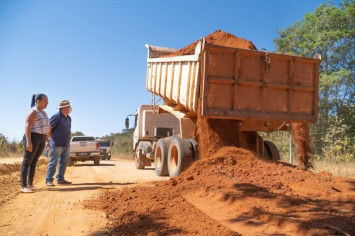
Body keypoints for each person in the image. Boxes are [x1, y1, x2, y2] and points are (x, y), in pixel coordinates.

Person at [21, 94, 50, 193]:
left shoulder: (44, 113)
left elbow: (45, 128)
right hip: (33, 137)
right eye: (45, 101)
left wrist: (47, 140)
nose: (47, 103)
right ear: (38, 101)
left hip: (41, 138)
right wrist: (29, 142)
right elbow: (27, 127)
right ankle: (23, 186)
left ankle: (30, 184)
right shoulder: (33, 111)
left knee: (34, 162)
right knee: (27, 161)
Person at [45, 100, 72, 186]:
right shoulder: (56, 116)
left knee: (64, 162)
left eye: (68, 107)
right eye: (67, 107)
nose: (69, 108)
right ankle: (49, 180)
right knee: (53, 162)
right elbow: (49, 128)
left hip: (66, 144)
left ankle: (60, 179)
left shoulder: (68, 118)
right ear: (63, 108)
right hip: (56, 144)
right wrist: (48, 140)